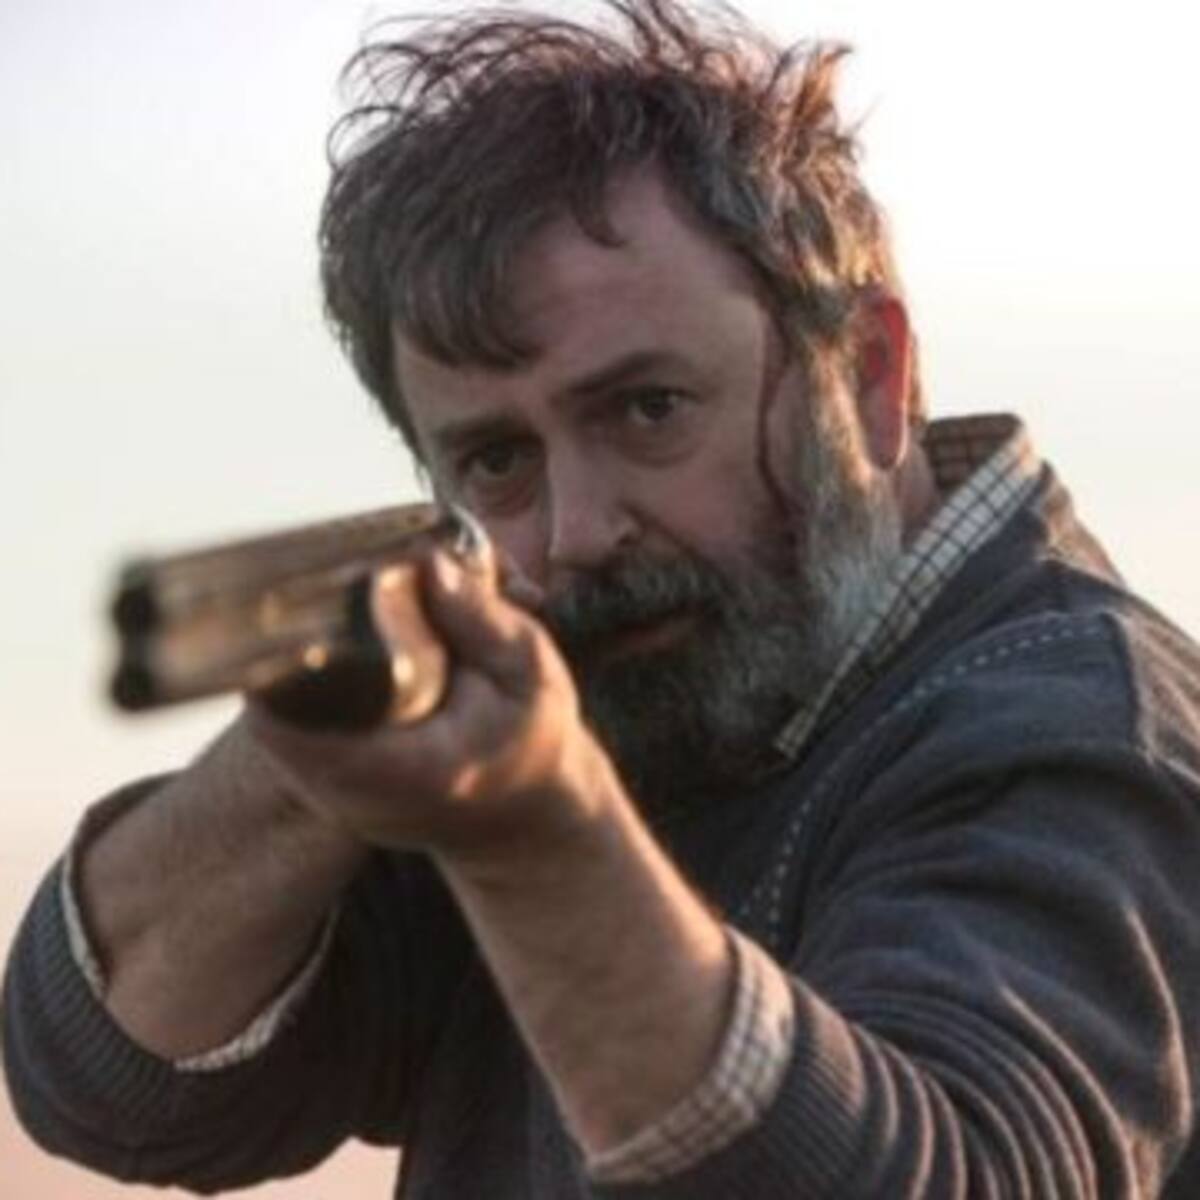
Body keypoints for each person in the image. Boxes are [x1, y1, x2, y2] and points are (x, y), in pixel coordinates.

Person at [5, 0, 1200, 1195]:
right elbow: (114, 1080)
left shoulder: (1078, 724)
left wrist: (533, 835)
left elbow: (966, 1174)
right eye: (496, 460)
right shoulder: (621, 685)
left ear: (871, 377)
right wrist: (305, 765)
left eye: (648, 410)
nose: (576, 535)